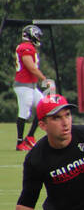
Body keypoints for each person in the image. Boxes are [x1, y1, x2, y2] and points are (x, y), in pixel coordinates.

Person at [13, 24, 53, 152]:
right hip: (24, 86)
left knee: (43, 107)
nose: (39, 38)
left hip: (30, 86)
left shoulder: (28, 47)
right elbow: (31, 67)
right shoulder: (26, 48)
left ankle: (30, 137)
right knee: (24, 112)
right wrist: (44, 79)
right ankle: (20, 143)